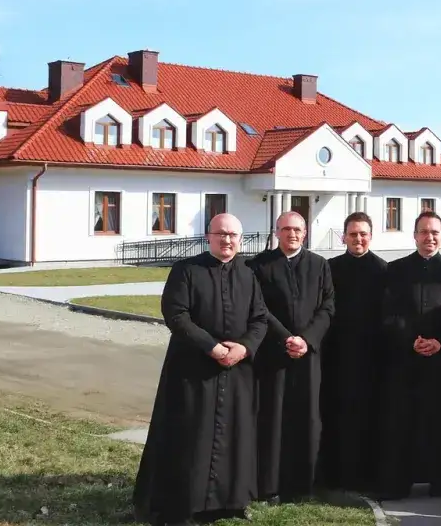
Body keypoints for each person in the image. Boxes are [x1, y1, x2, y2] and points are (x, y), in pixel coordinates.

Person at [133, 213, 269, 526]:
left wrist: (245, 347)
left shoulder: (248, 275)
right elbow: (176, 314)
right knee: (191, 437)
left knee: (234, 436)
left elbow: (260, 318)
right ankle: (185, 505)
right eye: (221, 234)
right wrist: (212, 347)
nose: (227, 240)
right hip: (193, 369)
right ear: (209, 236)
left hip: (236, 371)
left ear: (240, 239)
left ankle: (229, 502)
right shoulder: (187, 270)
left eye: (233, 235)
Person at [375, 211, 441, 500]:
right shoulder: (395, 270)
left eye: (435, 233)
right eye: (424, 232)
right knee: (404, 421)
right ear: (414, 236)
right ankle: (401, 480)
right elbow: (388, 312)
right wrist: (410, 341)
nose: (429, 237)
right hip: (406, 359)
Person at [247, 211, 335, 503]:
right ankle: (269, 485)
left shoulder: (319, 265)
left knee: (307, 417)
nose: (292, 234)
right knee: (272, 417)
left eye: (297, 229)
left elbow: (328, 306)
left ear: (305, 233)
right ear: (277, 232)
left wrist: (307, 340)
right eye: (286, 229)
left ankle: (303, 484)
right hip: (273, 353)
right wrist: (286, 338)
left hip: (308, 354)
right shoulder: (259, 265)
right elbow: (258, 308)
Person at [317, 211, 389, 494]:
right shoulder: (329, 268)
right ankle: (334, 475)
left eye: (363, 234)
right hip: (336, 355)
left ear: (371, 236)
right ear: (343, 237)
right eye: (353, 234)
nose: (358, 239)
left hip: (372, 358)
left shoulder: (384, 270)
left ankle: (367, 475)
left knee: (370, 417)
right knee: (336, 415)